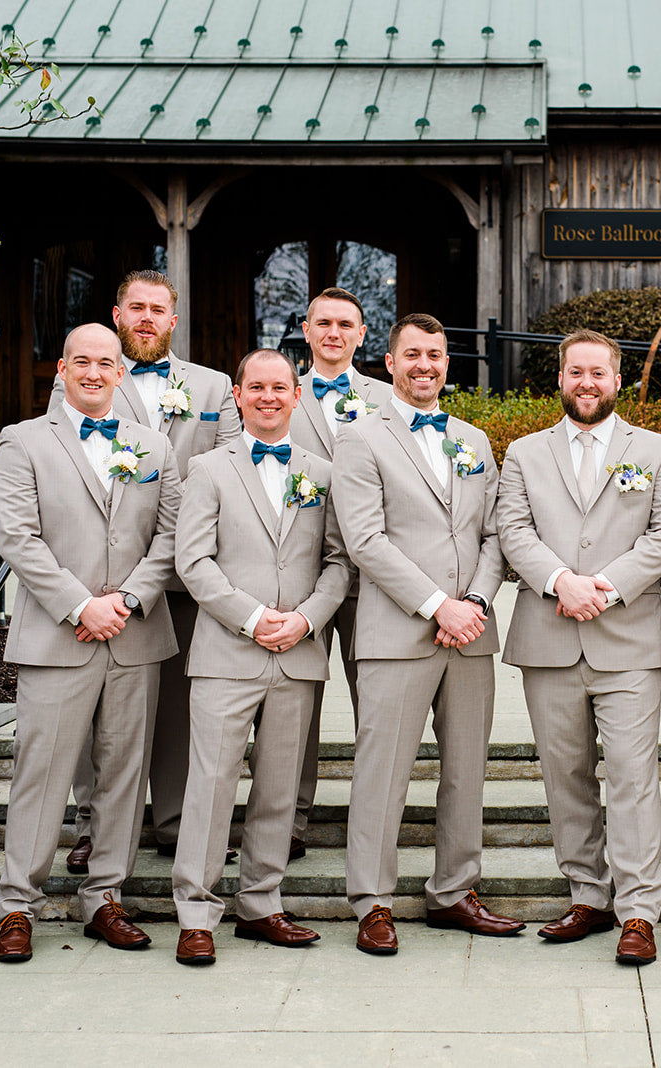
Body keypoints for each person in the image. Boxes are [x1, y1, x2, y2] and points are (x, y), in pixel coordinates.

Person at [0, 323, 181, 963]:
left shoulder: (154, 446)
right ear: (61, 370)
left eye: (106, 362)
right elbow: (18, 538)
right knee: (40, 774)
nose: (94, 372)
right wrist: (81, 604)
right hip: (56, 635)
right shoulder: (23, 443)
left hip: (135, 633)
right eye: (82, 361)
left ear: (120, 374)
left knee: (123, 776)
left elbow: (171, 537)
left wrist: (126, 600)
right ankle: (18, 904)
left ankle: (105, 897)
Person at [497, 328, 661, 966]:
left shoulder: (657, 452)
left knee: (633, 778)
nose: (586, 384)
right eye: (575, 373)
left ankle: (638, 911)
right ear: (560, 379)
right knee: (565, 776)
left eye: (598, 374)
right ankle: (587, 893)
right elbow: (513, 530)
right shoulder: (524, 453)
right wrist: (560, 581)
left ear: (616, 378)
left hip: (627, 641)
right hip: (548, 635)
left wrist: (604, 588)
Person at [334, 312, 525, 954]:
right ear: (389, 363)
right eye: (412, 354)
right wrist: (435, 604)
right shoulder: (360, 438)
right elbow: (364, 539)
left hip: (471, 630)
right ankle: (372, 900)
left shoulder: (471, 437)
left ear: (448, 363)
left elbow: (496, 532)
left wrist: (472, 600)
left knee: (466, 768)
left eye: (436, 355)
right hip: (398, 631)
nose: (425, 365)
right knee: (382, 768)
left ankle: (454, 891)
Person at [170, 349, 352, 965]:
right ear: (239, 396)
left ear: (296, 397)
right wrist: (252, 617)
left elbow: (338, 561)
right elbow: (192, 561)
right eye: (257, 387)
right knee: (212, 783)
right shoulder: (207, 468)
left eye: (281, 387)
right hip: (226, 652)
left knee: (278, 788)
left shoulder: (323, 473)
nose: (269, 396)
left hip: (298, 652)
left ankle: (262, 903)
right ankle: (196, 912)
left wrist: (305, 619)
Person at [53, 270, 239, 874]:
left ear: (173, 320)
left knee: (184, 706)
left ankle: (177, 822)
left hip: (192, 579)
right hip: (108, 582)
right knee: (99, 712)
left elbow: (234, 471)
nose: (147, 318)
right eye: (137, 307)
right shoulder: (88, 379)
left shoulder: (213, 390)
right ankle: (95, 824)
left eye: (158, 309)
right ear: (117, 313)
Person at [285, 286, 392, 860]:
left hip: (373, 578)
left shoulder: (384, 397)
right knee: (294, 703)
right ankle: (290, 819)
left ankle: (369, 820)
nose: (334, 332)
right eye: (323, 322)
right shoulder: (278, 393)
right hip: (297, 575)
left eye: (345, 323)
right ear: (306, 329)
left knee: (373, 700)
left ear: (361, 333)